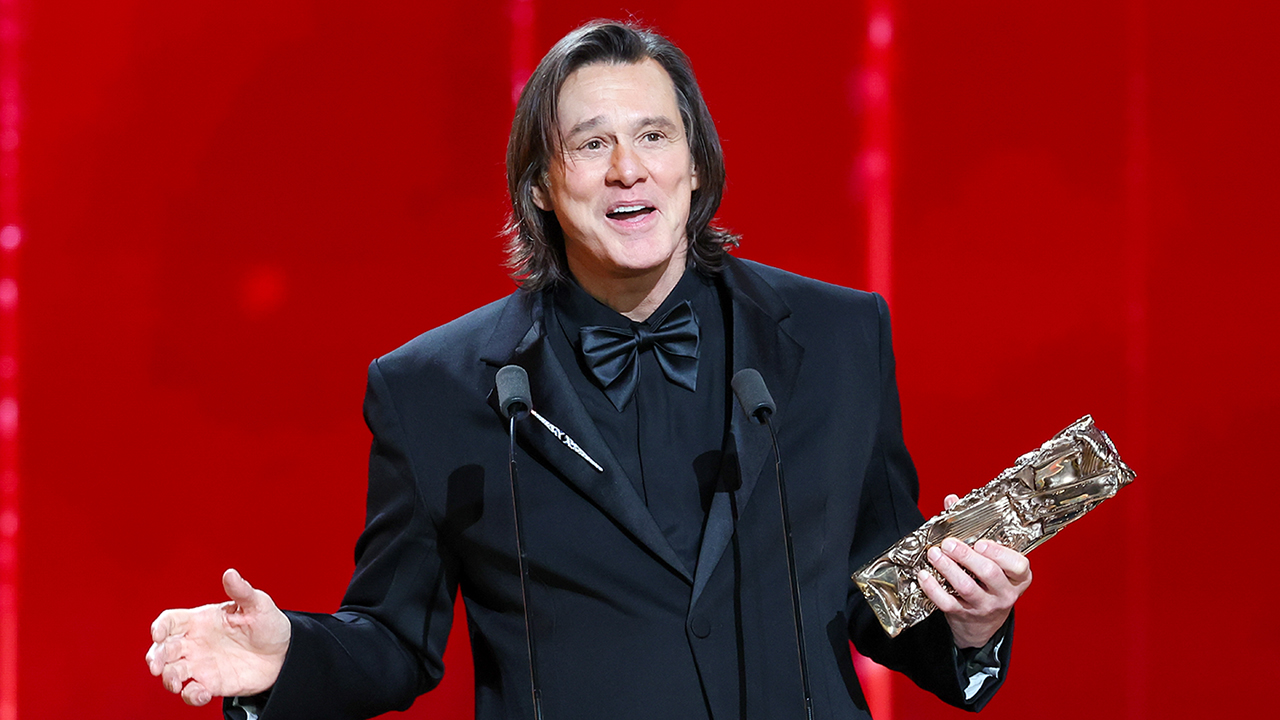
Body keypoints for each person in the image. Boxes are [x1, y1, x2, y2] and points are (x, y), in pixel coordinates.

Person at [146, 21, 1031, 720]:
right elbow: (394, 638)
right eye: (591, 143)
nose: (628, 169)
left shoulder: (838, 337)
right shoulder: (433, 388)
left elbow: (877, 580)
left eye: (653, 134)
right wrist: (284, 659)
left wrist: (972, 622)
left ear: (695, 164)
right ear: (539, 184)